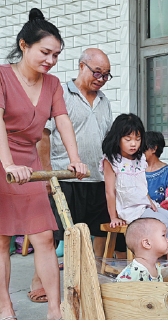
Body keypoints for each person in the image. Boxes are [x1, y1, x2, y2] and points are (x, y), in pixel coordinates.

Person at [0, 9, 88, 320]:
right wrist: (8, 164)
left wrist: (75, 159)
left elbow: (62, 120)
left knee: (43, 235)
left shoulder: (52, 84)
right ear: (24, 45)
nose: (51, 60)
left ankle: (55, 309)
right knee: (0, 237)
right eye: (45, 52)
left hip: (28, 158)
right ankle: (5, 309)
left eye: (56, 55)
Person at [38, 48, 113, 258]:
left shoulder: (104, 101)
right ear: (82, 66)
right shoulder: (60, 94)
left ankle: (95, 273)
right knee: (59, 234)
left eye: (106, 75)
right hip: (66, 179)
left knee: (100, 231)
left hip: (98, 179)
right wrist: (47, 175)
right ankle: (48, 276)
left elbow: (108, 140)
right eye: (97, 73)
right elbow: (43, 136)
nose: (101, 79)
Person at [100, 114, 168, 260]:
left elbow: (141, 184)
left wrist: (150, 201)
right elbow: (110, 192)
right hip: (129, 209)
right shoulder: (111, 161)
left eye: (138, 139)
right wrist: (113, 217)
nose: (133, 144)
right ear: (118, 138)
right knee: (165, 222)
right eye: (128, 139)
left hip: (144, 204)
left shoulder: (140, 158)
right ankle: (157, 260)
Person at [115, 218, 168, 282]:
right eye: (163, 235)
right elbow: (117, 287)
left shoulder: (157, 266)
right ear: (147, 243)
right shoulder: (134, 271)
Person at [145, 130, 168, 213]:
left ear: (154, 149)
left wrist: (159, 210)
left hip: (162, 213)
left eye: (143, 148)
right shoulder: (137, 170)